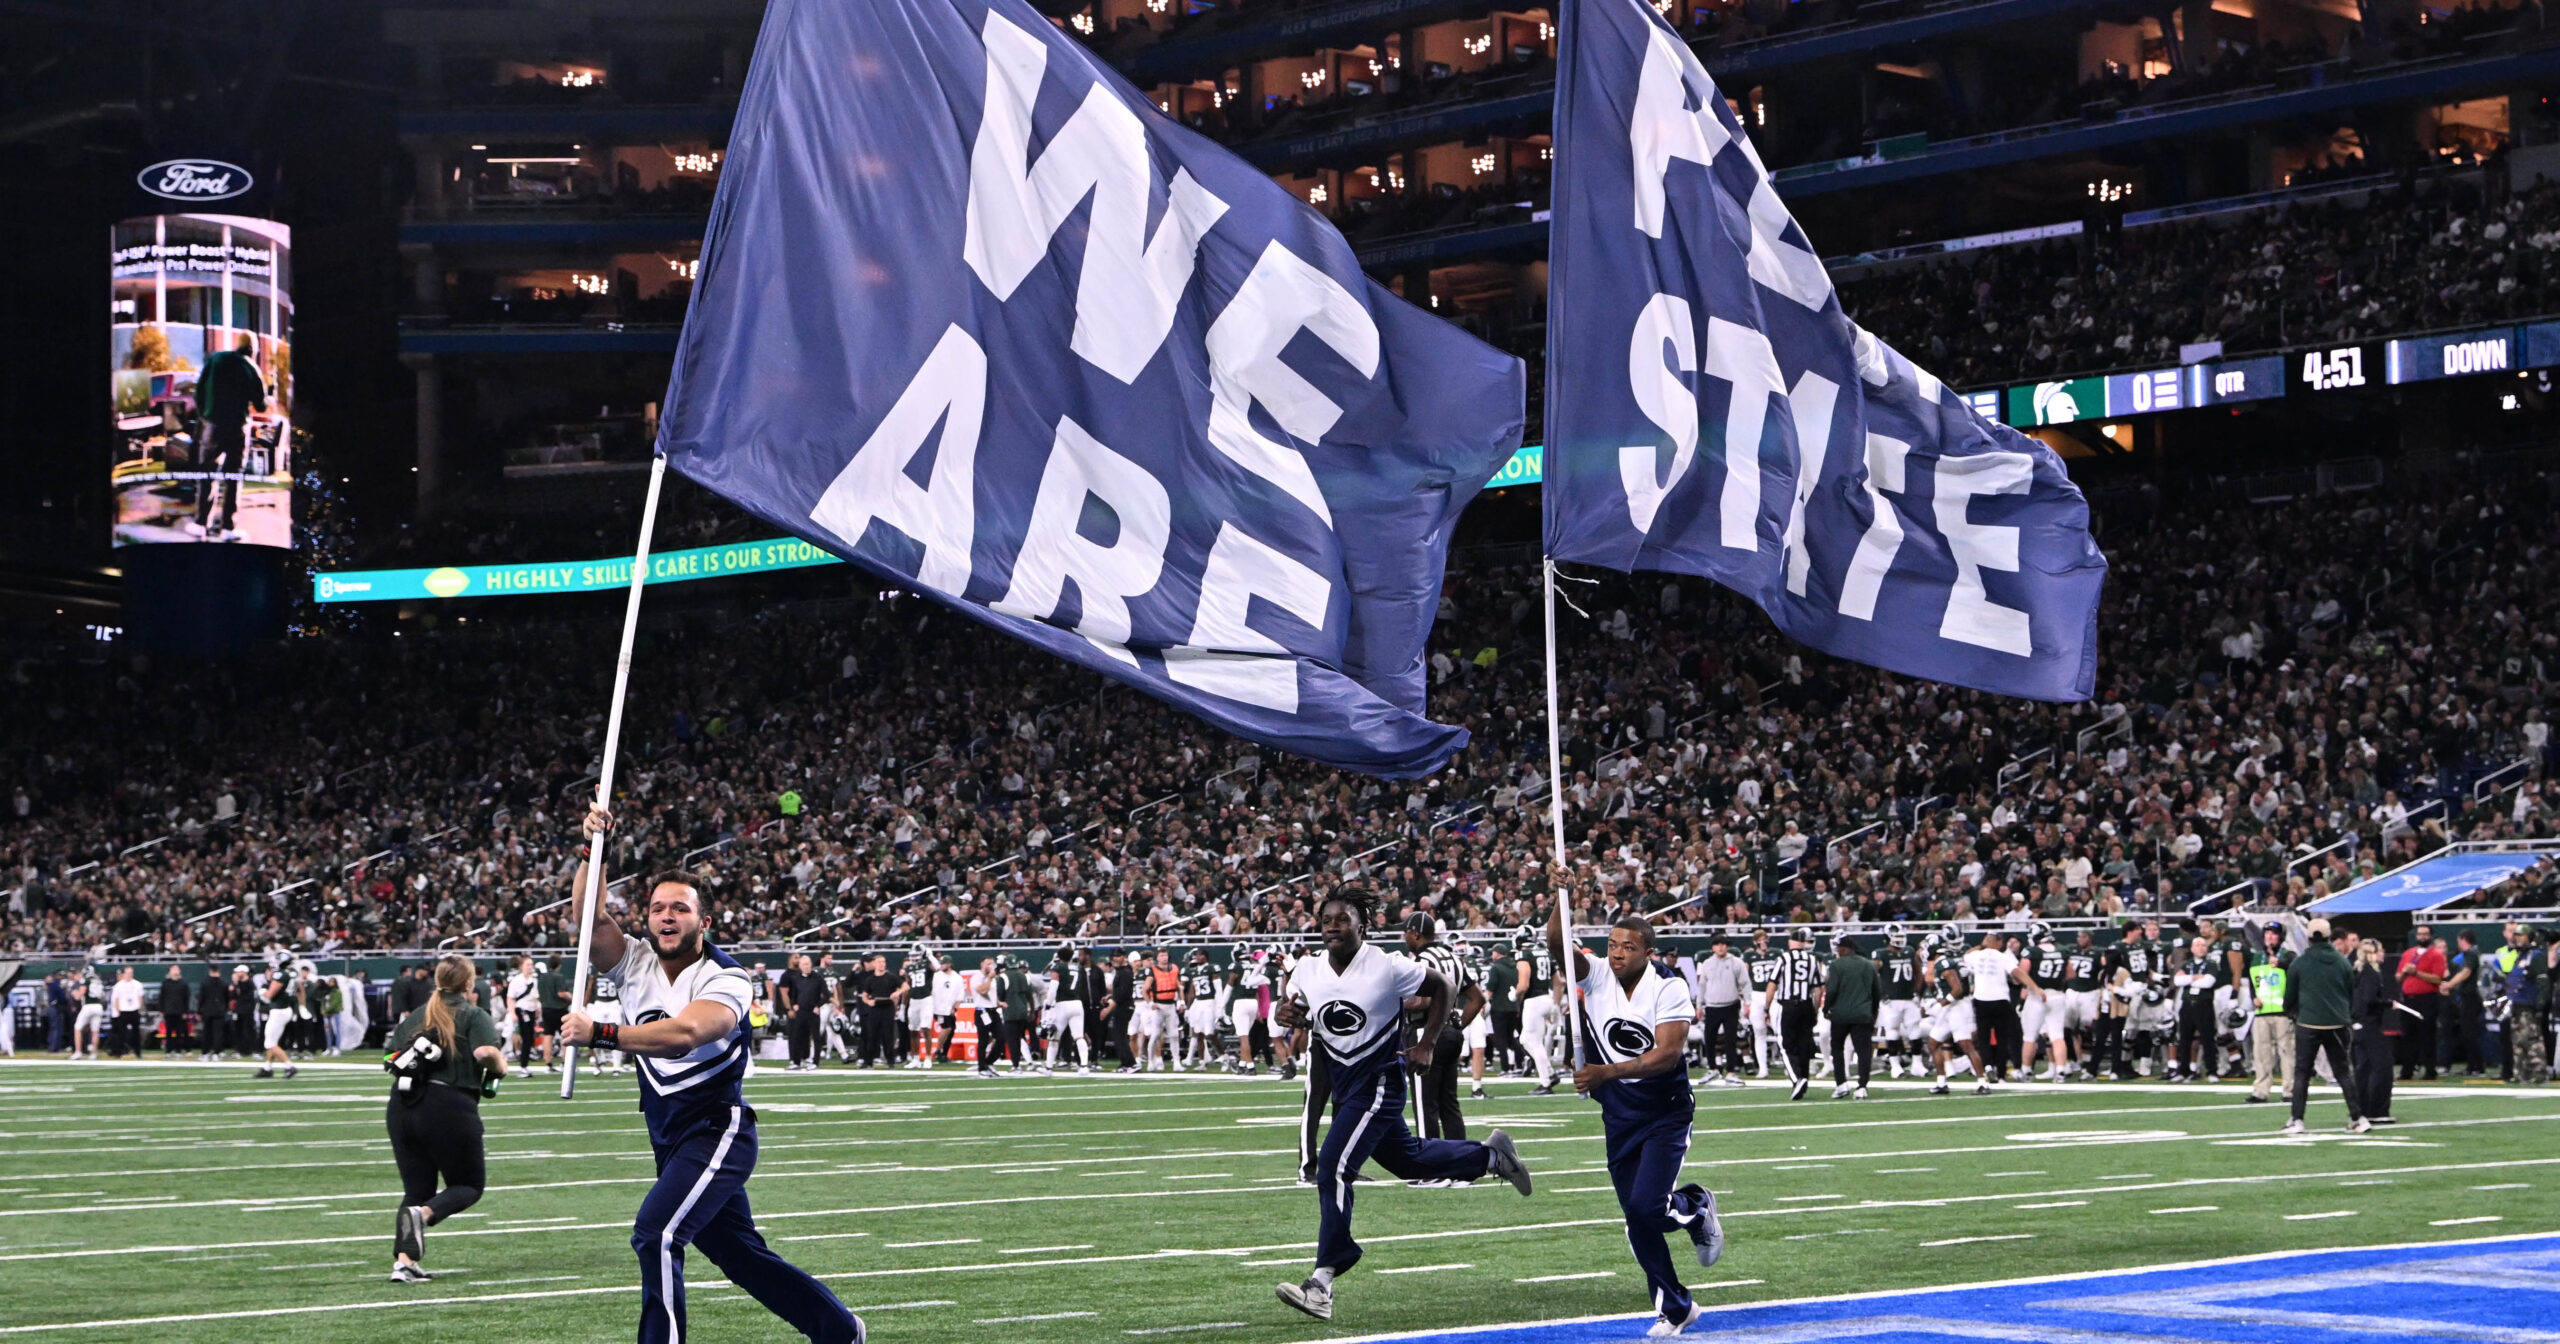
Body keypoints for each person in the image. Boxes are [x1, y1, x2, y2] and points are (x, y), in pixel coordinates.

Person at [558, 804, 866, 1344]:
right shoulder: (634, 962)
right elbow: (587, 918)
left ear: (703, 920)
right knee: (740, 1256)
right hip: (669, 1137)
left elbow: (686, 1033)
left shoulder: (727, 978)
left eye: (680, 908)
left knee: (655, 1234)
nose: (667, 917)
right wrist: (593, 849)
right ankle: (839, 1331)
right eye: (657, 908)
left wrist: (603, 1034)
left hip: (717, 1131)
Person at [1271, 887, 1531, 1323]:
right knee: (1409, 1161)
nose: (1332, 926)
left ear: (1363, 925)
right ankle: (1490, 1157)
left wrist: (1428, 1042)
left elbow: (1444, 986)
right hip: (1346, 1082)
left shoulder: (1388, 966)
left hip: (1380, 1080)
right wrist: (1286, 1013)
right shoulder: (1307, 967)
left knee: (1334, 1166)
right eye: (1326, 919)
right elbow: (1294, 1004)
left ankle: (1323, 1279)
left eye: (1342, 919)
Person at [1552, 900, 1724, 1337]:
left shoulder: (1669, 988)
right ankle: (1677, 1308)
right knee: (1637, 1216)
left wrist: (1604, 1072)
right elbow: (1557, 943)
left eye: (1627, 946)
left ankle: (1695, 1206)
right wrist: (1559, 896)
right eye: (1611, 945)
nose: (1616, 953)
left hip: (1664, 1111)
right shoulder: (1594, 975)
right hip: (1619, 1114)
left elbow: (1667, 1055)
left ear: (1648, 951)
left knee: (1648, 1206)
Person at [382, 955, 509, 1283]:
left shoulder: (417, 1016)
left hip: (402, 1103)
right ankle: (422, 1217)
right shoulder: (472, 1013)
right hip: (448, 1105)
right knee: (468, 1185)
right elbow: (485, 1053)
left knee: (416, 1189)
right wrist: (501, 1066)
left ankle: (404, 1263)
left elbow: (390, 1057)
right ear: (469, 984)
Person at [2281, 918, 2368, 1136]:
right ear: (2330, 937)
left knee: (2302, 1073)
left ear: (2309, 938)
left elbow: (2289, 997)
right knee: (2343, 1072)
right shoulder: (2341, 962)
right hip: (2338, 1022)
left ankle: (2297, 1119)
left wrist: (2292, 1012)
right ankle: (2358, 1118)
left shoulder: (2300, 963)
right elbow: (2350, 992)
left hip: (2308, 1022)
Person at [1401, 912, 1477, 1139]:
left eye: (1405, 932)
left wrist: (1397, 1002)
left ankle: (1430, 1168)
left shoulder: (1422, 961)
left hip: (1426, 1033)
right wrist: (1456, 1025)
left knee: (1426, 1106)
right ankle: (1460, 1162)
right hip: (1451, 1032)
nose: (1404, 937)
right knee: (1449, 1104)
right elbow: (1477, 999)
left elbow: (1423, 1001)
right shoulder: (1452, 956)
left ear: (1415, 934)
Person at [191, 333, 266, 540]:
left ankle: (201, 523)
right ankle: (228, 528)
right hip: (237, 428)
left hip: (212, 425)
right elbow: (261, 404)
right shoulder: (251, 367)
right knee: (233, 477)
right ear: (252, 349)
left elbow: (198, 392)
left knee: (207, 473)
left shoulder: (216, 359)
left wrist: (204, 415)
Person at [1962, 929, 2030, 1085]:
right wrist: (2034, 987)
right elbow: (2017, 974)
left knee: (1984, 1039)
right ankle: (2000, 1075)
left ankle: (1987, 1067)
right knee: (2002, 1039)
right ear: (1999, 942)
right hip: (2000, 1000)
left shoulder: (1976, 955)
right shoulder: (2004, 957)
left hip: (1981, 999)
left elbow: (1964, 957)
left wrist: (1981, 945)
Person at [1761, 927, 1821, 1100]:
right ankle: (1803, 1078)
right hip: (1806, 1005)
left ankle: (1797, 1079)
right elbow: (1818, 989)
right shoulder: (1812, 959)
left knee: (1786, 1045)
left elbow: (1772, 984)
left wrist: (1767, 1007)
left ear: (1790, 942)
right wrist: (1814, 1010)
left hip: (1788, 1006)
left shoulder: (1784, 959)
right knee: (1804, 1044)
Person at [1822, 934, 1879, 1099]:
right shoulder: (1868, 965)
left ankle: (1841, 1084)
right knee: (1863, 1051)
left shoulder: (1836, 965)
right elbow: (1876, 992)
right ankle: (1862, 1086)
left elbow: (1831, 990)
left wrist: (1826, 1008)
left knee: (1837, 1049)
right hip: (1863, 1013)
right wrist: (1873, 1013)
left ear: (1844, 948)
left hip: (1840, 1014)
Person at [2350, 936, 2398, 1124]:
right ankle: (2378, 1109)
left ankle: (2361, 1108)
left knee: (2363, 1068)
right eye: (2381, 950)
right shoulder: (2371, 973)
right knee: (2383, 1066)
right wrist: (2387, 1003)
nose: (2383, 954)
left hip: (2358, 1025)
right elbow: (2369, 999)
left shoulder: (2358, 971)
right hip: (2369, 1025)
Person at [2245, 922, 2294, 1104]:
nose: (2269, 937)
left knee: (2287, 1052)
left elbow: (2293, 969)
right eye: (2267, 934)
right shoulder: (2257, 958)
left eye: (2273, 934)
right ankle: (2261, 1091)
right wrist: (2253, 997)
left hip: (2283, 1012)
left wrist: (2280, 964)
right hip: (2262, 1011)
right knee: (2261, 1053)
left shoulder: (2288, 956)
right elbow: (2252, 982)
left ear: (2280, 937)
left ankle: (2290, 1090)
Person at [1693, 932, 1749, 1084]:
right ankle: (1713, 1069)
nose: (1720, 947)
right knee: (1709, 1038)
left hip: (1731, 1005)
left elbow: (1745, 983)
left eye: (1723, 944)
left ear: (1727, 946)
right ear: (1713, 947)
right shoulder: (1707, 964)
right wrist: (1699, 1005)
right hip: (1712, 1006)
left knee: (1731, 1039)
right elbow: (1702, 986)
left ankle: (1730, 1072)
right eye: (1717, 944)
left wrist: (1748, 1003)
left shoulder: (1736, 962)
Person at [2395, 924, 2446, 1081]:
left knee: (2427, 1036)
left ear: (2430, 936)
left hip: (2427, 999)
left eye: (2425, 934)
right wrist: (2405, 972)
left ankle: (2430, 1070)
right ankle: (2407, 1070)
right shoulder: (2408, 954)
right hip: (2408, 999)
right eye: (2420, 934)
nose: (2422, 937)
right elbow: (2397, 978)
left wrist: (2416, 973)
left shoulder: (2436, 955)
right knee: (2408, 1036)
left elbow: (2437, 978)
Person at [255, 964, 298, 1078]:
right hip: (284, 1009)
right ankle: (267, 1068)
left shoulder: (281, 977)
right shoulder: (288, 977)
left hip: (279, 1011)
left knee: (270, 1043)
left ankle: (289, 1066)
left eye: (271, 971)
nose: (269, 973)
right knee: (272, 1041)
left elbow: (268, 996)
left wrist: (262, 993)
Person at [107, 967, 145, 1059]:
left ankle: (138, 1053)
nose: (129, 975)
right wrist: (118, 1011)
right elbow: (116, 999)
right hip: (123, 1011)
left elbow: (140, 997)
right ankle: (118, 1053)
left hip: (134, 1010)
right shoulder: (118, 986)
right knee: (121, 1034)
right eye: (127, 973)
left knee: (136, 1033)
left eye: (131, 973)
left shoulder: (137, 984)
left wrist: (139, 1009)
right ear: (124, 974)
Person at [156, 966, 190, 1056]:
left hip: (180, 1012)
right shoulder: (165, 983)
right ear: (170, 971)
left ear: (180, 971)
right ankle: (168, 1051)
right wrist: (161, 1010)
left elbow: (186, 998)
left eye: (177, 969)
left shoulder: (183, 984)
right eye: (173, 969)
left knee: (179, 1032)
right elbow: (161, 997)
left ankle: (178, 1051)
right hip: (168, 1011)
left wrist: (185, 1012)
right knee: (169, 1032)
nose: (175, 971)